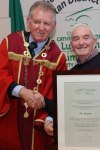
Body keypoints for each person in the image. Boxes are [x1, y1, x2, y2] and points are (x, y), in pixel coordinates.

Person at [0, 1, 67, 150]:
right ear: (28, 22)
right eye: (37, 22)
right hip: (9, 123)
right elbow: (0, 74)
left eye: (47, 23)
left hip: (38, 128)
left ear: (53, 27)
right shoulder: (9, 43)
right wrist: (21, 91)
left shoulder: (58, 58)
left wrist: (50, 120)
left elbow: (58, 98)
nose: (41, 27)